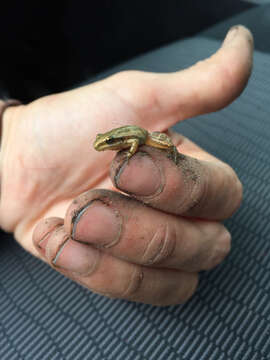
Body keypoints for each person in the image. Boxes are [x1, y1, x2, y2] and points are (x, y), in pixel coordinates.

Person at [0, 25, 253, 306]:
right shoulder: (110, 141)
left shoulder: (126, 139)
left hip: (141, 137)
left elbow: (135, 142)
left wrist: (8, 135)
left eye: (105, 142)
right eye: (104, 142)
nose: (103, 145)